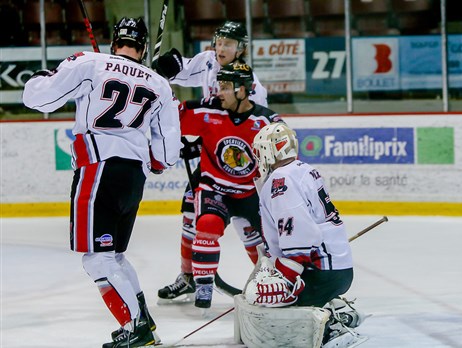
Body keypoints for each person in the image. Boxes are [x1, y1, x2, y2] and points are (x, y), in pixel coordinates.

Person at [22, 17, 182, 348]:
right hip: (133, 177)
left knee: (97, 258)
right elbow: (167, 155)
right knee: (114, 256)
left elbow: (38, 99)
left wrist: (39, 78)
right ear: (144, 47)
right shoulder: (159, 84)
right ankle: (143, 323)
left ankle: (137, 327)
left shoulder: (90, 63)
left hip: (98, 167)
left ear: (114, 42)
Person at [154, 21, 270, 306]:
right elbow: (180, 71)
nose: (221, 49)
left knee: (249, 230)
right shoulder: (207, 61)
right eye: (219, 42)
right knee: (191, 218)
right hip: (210, 167)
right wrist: (163, 67)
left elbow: (238, 128)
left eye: (228, 45)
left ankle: (269, 277)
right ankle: (189, 276)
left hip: (242, 170)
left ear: (241, 49)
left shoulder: (252, 87)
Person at [245, 122, 363, 345]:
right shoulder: (302, 169)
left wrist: (287, 277)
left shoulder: (280, 180)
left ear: (271, 150)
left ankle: (332, 329)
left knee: (279, 318)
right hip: (337, 269)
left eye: (259, 151)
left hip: (321, 272)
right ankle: (337, 309)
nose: (258, 158)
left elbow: (299, 234)